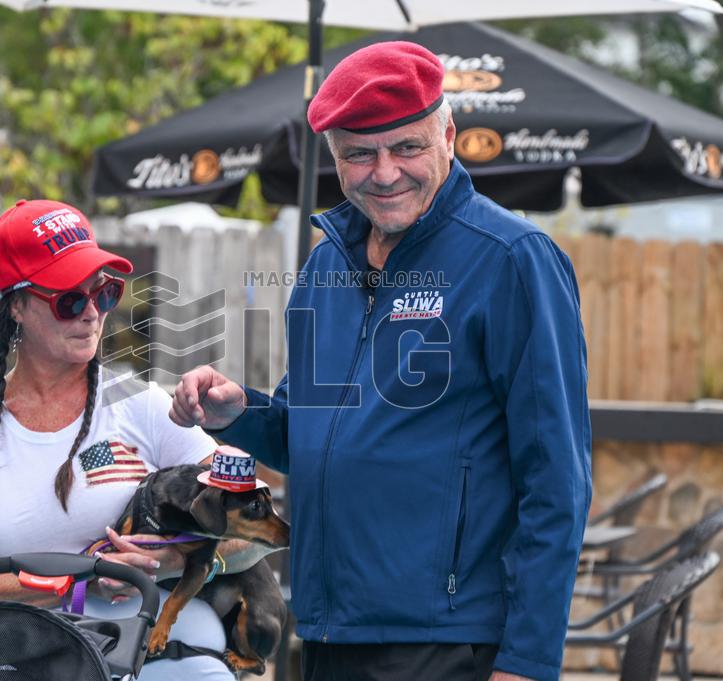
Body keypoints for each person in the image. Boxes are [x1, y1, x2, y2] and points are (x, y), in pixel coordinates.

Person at [170, 42, 591, 681]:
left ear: (448, 135)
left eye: (407, 147)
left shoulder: (513, 259)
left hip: (451, 640)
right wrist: (240, 413)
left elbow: (556, 477)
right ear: (335, 158)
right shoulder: (324, 267)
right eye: (360, 154)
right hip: (326, 628)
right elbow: (310, 434)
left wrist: (529, 660)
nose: (385, 172)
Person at [0, 199, 268, 681]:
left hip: (171, 657)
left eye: (104, 293)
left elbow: (253, 537)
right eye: (70, 299)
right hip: (36, 661)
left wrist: (174, 560)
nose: (91, 313)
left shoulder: (142, 401)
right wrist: (83, 576)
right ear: (18, 306)